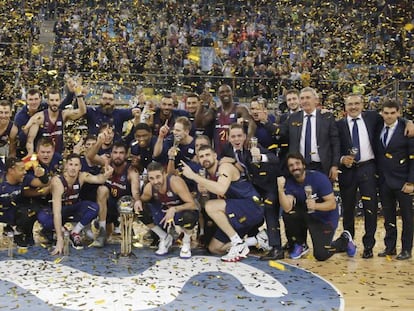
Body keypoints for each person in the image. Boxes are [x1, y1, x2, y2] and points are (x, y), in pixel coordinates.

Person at [181, 145, 264, 262]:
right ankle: (256, 240)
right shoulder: (207, 175)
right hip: (235, 210)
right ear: (198, 160)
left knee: (211, 206)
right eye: (201, 156)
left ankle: (237, 243)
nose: (205, 158)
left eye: (208, 155)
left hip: (252, 206)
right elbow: (207, 204)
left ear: (215, 156)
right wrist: (203, 192)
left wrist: (194, 176)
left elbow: (221, 190)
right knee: (215, 248)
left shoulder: (224, 167)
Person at [221, 123, 283, 260]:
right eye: (233, 136)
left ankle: (277, 248)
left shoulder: (253, 146)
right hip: (251, 187)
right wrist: (226, 161)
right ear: (229, 138)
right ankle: (254, 239)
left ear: (244, 137)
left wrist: (261, 157)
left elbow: (275, 159)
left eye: (239, 136)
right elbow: (220, 159)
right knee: (248, 209)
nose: (236, 139)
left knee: (269, 211)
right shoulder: (227, 149)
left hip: (267, 184)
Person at [277, 153, 356, 261]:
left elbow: (332, 204)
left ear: (303, 165)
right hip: (308, 215)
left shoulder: (319, 178)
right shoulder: (290, 182)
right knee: (289, 214)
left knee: (321, 254)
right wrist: (280, 190)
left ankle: (344, 241)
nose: (295, 167)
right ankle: (300, 244)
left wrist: (315, 205)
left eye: (297, 164)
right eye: (291, 165)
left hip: (325, 218)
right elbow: (287, 207)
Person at [46, 153, 113, 255]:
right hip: (60, 210)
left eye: (76, 165)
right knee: (44, 219)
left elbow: (99, 179)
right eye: (71, 164)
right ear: (66, 166)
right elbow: (57, 212)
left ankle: (75, 232)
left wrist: (106, 174)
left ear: (80, 167)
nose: (73, 168)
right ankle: (60, 232)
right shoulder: (57, 181)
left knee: (94, 207)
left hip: (74, 207)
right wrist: (60, 240)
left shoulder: (82, 176)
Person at [376, 99, 414, 260]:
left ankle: (406, 249)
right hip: (384, 181)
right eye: (386, 113)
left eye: (393, 113)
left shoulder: (407, 130)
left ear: (399, 113)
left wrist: (412, 182)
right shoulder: (377, 127)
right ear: (381, 113)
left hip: (403, 181)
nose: (389, 116)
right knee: (388, 217)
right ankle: (390, 247)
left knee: (407, 217)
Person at [87, 136, 141, 247]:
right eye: (115, 152)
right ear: (111, 153)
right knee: (102, 189)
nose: (118, 155)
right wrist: (99, 142)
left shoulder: (131, 171)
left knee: (130, 202)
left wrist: (137, 201)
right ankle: (102, 230)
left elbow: (135, 192)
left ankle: (127, 228)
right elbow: (90, 156)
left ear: (126, 155)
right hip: (109, 205)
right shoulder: (106, 163)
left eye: (121, 153)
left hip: (125, 206)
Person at [137, 161, 199, 258]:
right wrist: (137, 201)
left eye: (158, 177)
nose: (155, 181)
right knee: (138, 210)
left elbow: (192, 205)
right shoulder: (149, 188)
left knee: (189, 217)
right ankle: (164, 237)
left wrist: (174, 209)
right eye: (151, 178)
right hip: (163, 212)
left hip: (181, 211)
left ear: (164, 174)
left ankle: (186, 242)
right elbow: (141, 200)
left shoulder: (175, 182)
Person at [279, 87, 340, 181]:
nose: (304, 101)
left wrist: (335, 165)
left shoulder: (327, 117)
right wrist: (265, 121)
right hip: (299, 167)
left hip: (322, 166)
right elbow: (280, 132)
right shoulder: (293, 118)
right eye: (302, 98)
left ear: (316, 100)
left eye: (308, 98)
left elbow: (335, 143)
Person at [0, 157, 49, 248]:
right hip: (1, 211)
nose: (25, 172)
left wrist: (42, 175)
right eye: (21, 169)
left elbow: (43, 183)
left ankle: (20, 233)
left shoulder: (24, 178)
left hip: (14, 210)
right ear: (11, 171)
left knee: (31, 210)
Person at [194, 84, 256, 155]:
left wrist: (249, 137)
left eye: (227, 91)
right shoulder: (215, 111)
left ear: (232, 93)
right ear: (218, 95)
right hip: (219, 154)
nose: (225, 94)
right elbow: (199, 124)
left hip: (235, 153)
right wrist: (202, 104)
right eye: (222, 92)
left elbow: (252, 124)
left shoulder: (240, 109)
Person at [25, 87, 86, 155]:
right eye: (52, 100)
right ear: (47, 101)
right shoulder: (39, 117)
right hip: (43, 155)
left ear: (60, 101)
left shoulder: (63, 114)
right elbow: (30, 141)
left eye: (57, 100)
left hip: (58, 155)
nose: (54, 103)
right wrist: (30, 155)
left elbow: (82, 111)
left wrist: (79, 94)